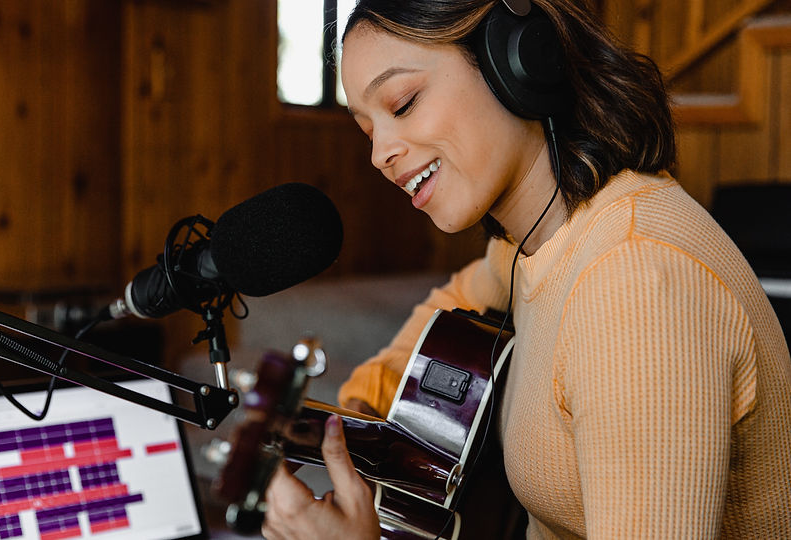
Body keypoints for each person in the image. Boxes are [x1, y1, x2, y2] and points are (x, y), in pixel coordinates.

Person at [260, 0, 791, 538]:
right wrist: (361, 405)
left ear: (515, 61)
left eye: (402, 103)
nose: (380, 156)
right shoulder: (535, 246)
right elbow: (458, 296)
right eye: (367, 129)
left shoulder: (634, 279)